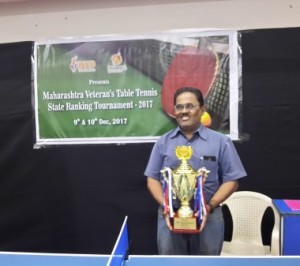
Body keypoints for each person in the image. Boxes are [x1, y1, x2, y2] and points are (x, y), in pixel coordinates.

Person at [144, 87, 247, 255]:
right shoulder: (163, 142)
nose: (184, 111)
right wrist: (166, 207)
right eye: (179, 107)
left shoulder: (221, 142)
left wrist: (209, 206)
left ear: (202, 109)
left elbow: (232, 180)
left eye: (190, 106)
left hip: (210, 217)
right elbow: (152, 179)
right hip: (170, 216)